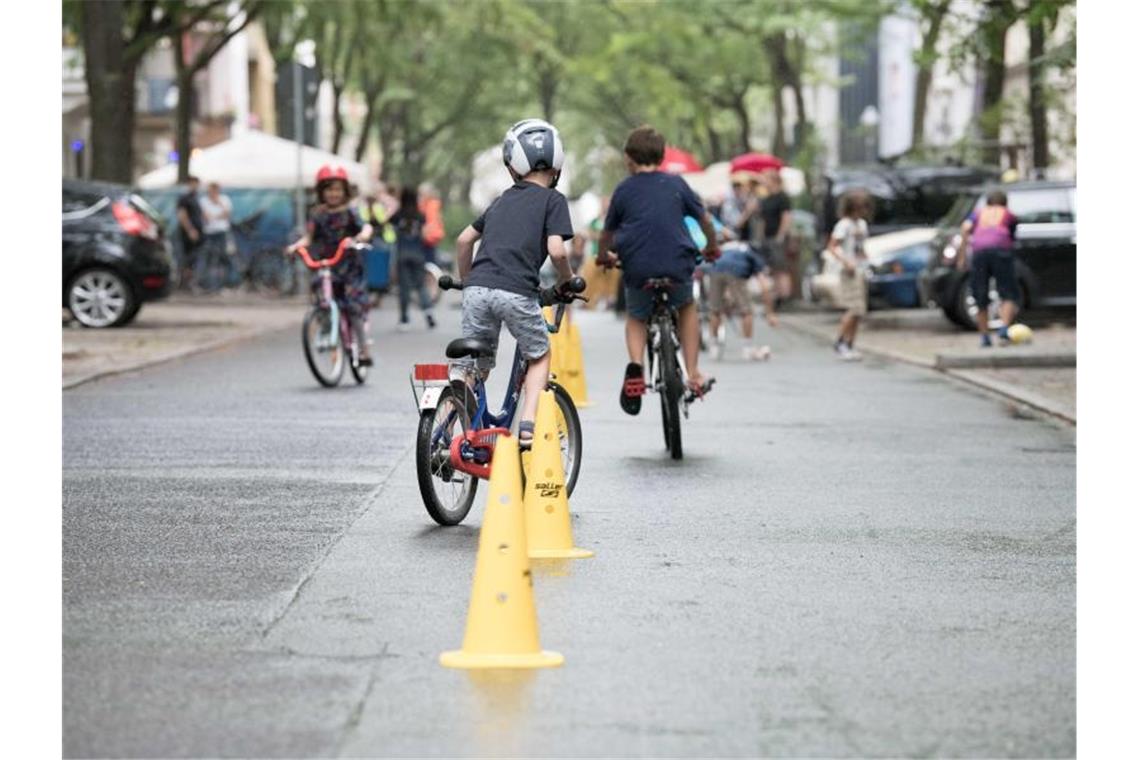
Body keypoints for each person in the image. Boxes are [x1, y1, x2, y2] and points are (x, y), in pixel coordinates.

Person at [453, 118, 575, 449]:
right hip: (517, 291)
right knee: (539, 354)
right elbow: (556, 251)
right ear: (557, 162)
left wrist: (468, 284)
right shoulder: (553, 200)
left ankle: (459, 417)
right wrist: (569, 281)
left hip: (478, 288)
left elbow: (464, 241)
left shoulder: (501, 200)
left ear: (514, 165)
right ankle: (527, 425)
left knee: (476, 362)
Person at [596, 125, 720, 415]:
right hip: (677, 262)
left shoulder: (624, 190)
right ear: (663, 156)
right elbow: (705, 221)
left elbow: (607, 234)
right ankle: (693, 373)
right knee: (687, 306)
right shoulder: (677, 184)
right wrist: (711, 247)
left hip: (638, 264)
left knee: (637, 315)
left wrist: (604, 257)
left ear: (628, 159)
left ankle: (636, 366)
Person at [287, 165, 375, 365]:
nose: (333, 194)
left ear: (345, 191)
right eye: (328, 189)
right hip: (327, 264)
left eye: (337, 189)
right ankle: (329, 331)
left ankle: (364, 349)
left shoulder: (351, 211)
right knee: (322, 297)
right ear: (321, 192)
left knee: (353, 306)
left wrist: (363, 235)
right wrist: (296, 247)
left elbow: (366, 226)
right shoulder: (317, 214)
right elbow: (308, 238)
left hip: (349, 266)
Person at [958, 189, 1020, 346]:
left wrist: (962, 256)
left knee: (980, 293)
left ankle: (985, 337)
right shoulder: (1008, 214)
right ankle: (1004, 330)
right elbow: (1012, 237)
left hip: (979, 254)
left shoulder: (978, 212)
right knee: (1008, 292)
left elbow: (965, 228)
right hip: (1001, 252)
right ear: (1004, 202)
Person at [826, 189, 871, 361]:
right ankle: (840, 342)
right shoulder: (843, 225)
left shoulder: (862, 225)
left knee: (859, 310)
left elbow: (861, 247)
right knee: (853, 308)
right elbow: (832, 246)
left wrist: (866, 259)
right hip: (848, 270)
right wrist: (845, 261)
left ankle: (850, 343)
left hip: (860, 269)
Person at [390, 187, 437, 330]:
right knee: (421, 285)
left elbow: (388, 224)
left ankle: (404, 320)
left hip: (402, 254)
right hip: (418, 254)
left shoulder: (397, 215)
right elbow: (424, 234)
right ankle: (428, 313)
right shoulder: (420, 215)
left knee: (404, 287)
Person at [758, 169, 794, 301]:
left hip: (777, 237)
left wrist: (781, 235)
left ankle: (785, 296)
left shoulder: (782, 197)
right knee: (772, 268)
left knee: (781, 267)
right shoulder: (766, 199)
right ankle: (777, 294)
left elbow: (786, 217)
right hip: (767, 237)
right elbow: (762, 219)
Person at [198, 181, 234, 292]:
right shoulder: (203, 201)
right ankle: (207, 284)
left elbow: (227, 214)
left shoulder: (224, 200)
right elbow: (205, 216)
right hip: (209, 233)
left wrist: (218, 203)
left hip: (222, 232)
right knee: (209, 258)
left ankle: (225, 283)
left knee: (224, 257)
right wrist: (217, 216)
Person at [175, 176, 204, 291]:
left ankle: (189, 282)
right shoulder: (184, 198)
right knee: (187, 258)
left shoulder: (196, 198)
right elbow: (182, 215)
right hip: (188, 233)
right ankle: (184, 283)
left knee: (194, 259)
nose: (195, 186)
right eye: (193, 183)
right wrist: (190, 230)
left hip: (197, 232)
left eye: (197, 184)